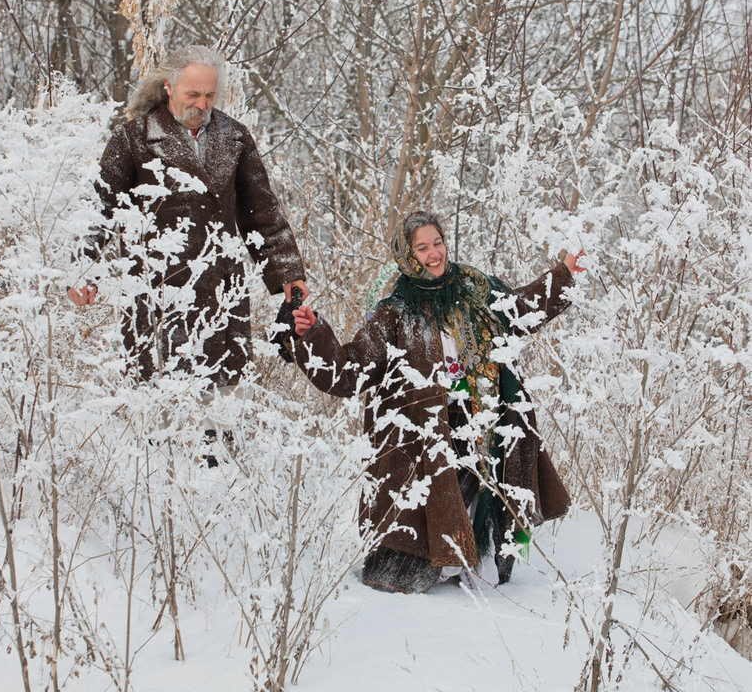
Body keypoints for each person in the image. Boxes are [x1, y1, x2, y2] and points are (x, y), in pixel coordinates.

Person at [290, 211, 583, 593]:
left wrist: (562, 275)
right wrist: (313, 334)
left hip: (481, 418)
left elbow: (518, 310)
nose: (434, 254)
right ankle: (435, 566)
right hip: (425, 432)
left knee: (483, 491)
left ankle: (475, 561)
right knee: (426, 507)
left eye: (438, 243)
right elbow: (349, 371)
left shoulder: (475, 289)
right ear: (407, 255)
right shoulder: (394, 312)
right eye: (422, 247)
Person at [68, 45, 307, 391]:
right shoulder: (133, 139)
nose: (202, 104)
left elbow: (263, 212)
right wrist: (84, 269)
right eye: (192, 94)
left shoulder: (235, 137)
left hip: (221, 294)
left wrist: (288, 273)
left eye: (209, 95)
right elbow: (99, 208)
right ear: (168, 86)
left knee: (221, 415)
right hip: (157, 297)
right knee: (161, 414)